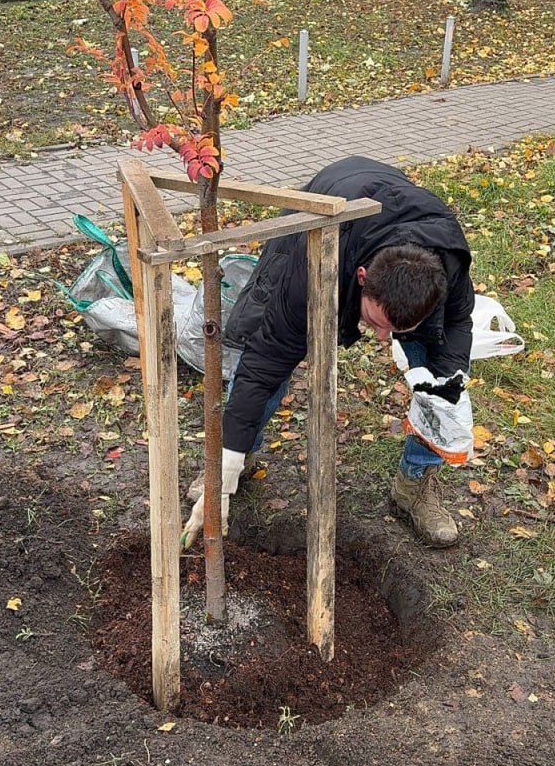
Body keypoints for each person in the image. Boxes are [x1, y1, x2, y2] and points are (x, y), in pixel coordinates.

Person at [181, 155, 474, 549]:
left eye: (395, 330)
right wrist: (224, 470)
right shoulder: (308, 272)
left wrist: (447, 385)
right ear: (363, 278)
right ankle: (238, 458)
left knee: (440, 387)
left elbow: (455, 332)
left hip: (394, 217)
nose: (382, 340)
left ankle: (414, 486)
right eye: (374, 323)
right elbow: (265, 364)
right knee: (273, 362)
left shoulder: (447, 267)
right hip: (320, 217)